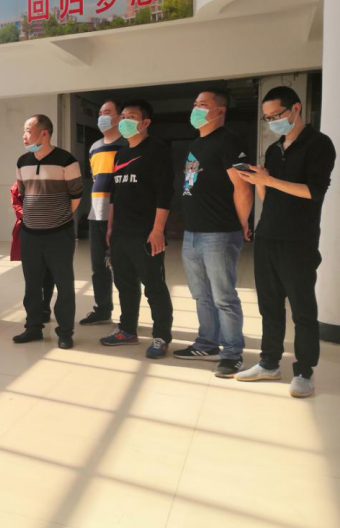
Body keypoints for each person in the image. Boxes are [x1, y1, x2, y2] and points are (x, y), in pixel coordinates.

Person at [235, 87, 336, 398]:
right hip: (268, 236)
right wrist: (259, 180)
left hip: (298, 239)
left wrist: (269, 180)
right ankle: (269, 363)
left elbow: (314, 192)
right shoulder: (274, 148)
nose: (272, 122)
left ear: (296, 108)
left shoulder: (319, 144)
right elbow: (269, 196)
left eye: (276, 115)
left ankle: (304, 371)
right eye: (267, 118)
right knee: (269, 305)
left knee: (302, 309)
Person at [175, 89, 253, 378]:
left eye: (203, 105)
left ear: (220, 111)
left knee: (223, 296)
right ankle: (207, 343)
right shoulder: (196, 144)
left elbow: (243, 187)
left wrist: (242, 223)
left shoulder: (229, 141)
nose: (196, 109)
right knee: (201, 295)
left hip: (219, 231)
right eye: (195, 104)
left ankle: (232, 353)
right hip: (192, 232)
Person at [100, 100, 174, 359]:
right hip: (121, 233)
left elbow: (165, 193)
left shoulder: (157, 150)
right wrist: (111, 227)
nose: (124, 121)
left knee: (154, 286)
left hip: (146, 233)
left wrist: (158, 230)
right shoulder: (121, 153)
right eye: (122, 117)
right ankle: (127, 330)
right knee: (125, 284)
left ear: (145, 123)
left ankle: (161, 336)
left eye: (131, 117)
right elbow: (114, 195)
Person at [12, 114, 82, 350]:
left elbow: (76, 195)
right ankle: (33, 327)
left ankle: (65, 332)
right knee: (32, 285)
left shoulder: (66, 160)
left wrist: (57, 218)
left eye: (28, 130)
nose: (24, 135)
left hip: (59, 234)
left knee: (64, 284)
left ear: (44, 133)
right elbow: (23, 193)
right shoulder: (22, 161)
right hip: (30, 234)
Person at [81, 99, 127, 326]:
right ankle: (102, 310)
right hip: (96, 214)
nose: (102, 117)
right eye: (100, 113)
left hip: (119, 216)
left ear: (119, 117)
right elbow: (95, 178)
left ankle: (129, 317)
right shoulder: (94, 147)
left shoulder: (127, 145)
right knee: (98, 267)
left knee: (122, 268)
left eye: (107, 112)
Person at [10, 180, 54, 321]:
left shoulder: (52, 179)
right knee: (31, 273)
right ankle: (33, 309)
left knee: (48, 271)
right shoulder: (19, 182)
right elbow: (16, 204)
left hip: (51, 228)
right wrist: (29, 218)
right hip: (28, 228)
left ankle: (45, 306)